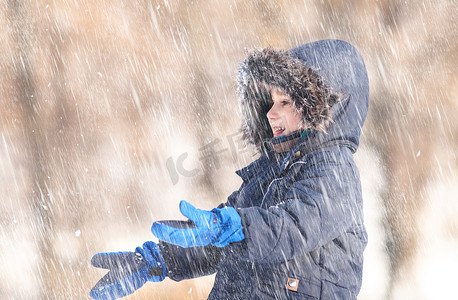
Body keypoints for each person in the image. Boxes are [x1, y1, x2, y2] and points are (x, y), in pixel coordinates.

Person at [89, 39, 369, 300]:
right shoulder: (268, 173)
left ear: (323, 107)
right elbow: (218, 243)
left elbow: (294, 226)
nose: (271, 113)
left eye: (284, 102)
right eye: (270, 102)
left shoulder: (335, 170)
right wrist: (158, 259)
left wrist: (238, 227)